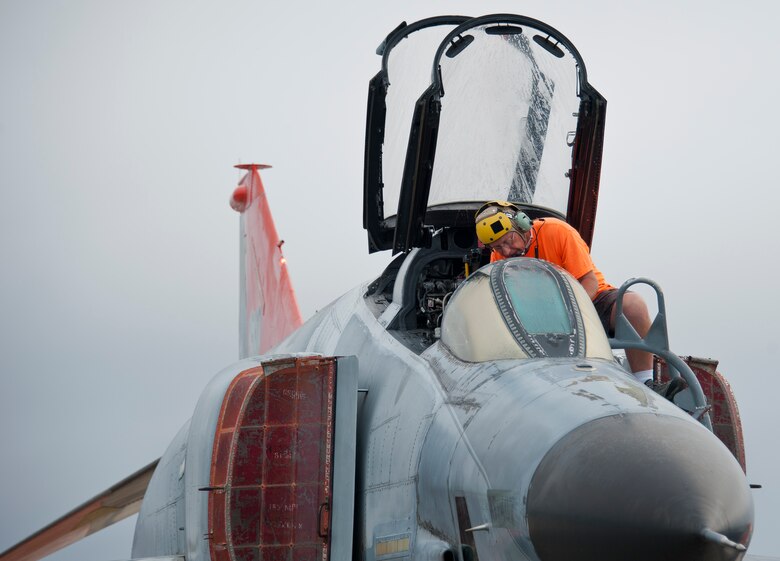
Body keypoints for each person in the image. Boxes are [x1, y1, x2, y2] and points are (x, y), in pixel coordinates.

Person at [474, 200, 683, 398]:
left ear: (520, 223)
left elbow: (589, 282)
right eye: (498, 247)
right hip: (538, 316)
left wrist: (568, 314)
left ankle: (646, 384)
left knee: (634, 306)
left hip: (588, 301)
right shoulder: (500, 258)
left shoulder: (559, 232)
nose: (507, 251)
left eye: (509, 240)